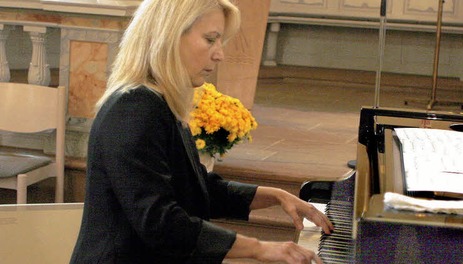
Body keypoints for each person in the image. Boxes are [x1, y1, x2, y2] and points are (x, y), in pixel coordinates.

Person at [69, 0, 334, 263]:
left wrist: (276, 196)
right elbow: (161, 223)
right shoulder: (134, 109)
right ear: (169, 36)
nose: (219, 54)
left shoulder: (158, 102)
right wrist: (259, 248)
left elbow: (195, 189)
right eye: (210, 39)